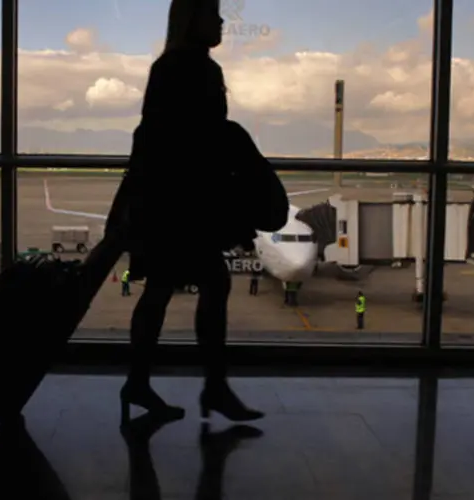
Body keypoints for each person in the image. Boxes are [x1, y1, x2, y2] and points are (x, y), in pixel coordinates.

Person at [117, 0, 279, 425]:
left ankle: (144, 382)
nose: (222, 22)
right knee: (211, 285)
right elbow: (205, 146)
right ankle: (213, 387)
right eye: (214, 13)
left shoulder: (167, 68)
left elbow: (154, 140)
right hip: (185, 208)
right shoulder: (201, 71)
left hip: (164, 204)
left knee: (161, 292)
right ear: (194, 20)